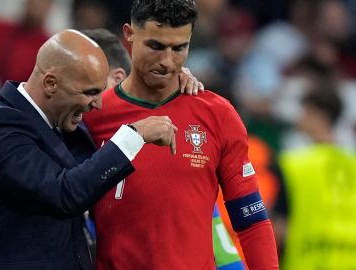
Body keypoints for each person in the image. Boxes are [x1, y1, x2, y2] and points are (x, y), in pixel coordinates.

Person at [0, 28, 245, 269]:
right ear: (50, 84)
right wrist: (134, 133)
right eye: (90, 92)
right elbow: (66, 193)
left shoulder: (65, 125)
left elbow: (94, 179)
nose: (98, 103)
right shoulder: (0, 125)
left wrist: (173, 85)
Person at [84, 0, 278, 269]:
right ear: (129, 34)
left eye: (179, 48)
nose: (167, 61)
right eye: (156, 46)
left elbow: (251, 219)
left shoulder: (218, 116)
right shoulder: (92, 116)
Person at [275, 85, 356, 269]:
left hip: (306, 262)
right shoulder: (353, 164)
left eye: (304, 110)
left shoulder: (294, 164)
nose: (300, 117)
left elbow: (279, 226)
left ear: (318, 114)